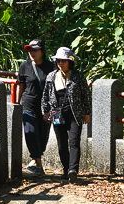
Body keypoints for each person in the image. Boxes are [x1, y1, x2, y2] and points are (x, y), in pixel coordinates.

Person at [41, 46, 91, 183]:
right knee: (62, 144)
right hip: (57, 114)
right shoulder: (51, 76)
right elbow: (45, 96)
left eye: (63, 61)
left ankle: (73, 170)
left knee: (74, 142)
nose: (60, 63)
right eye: (58, 61)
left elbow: (86, 95)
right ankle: (66, 169)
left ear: (70, 61)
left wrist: (87, 112)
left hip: (75, 114)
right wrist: (45, 111)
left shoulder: (78, 76)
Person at [17, 39, 53, 177]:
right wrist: (17, 104)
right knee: (30, 132)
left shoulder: (51, 67)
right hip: (28, 104)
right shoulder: (24, 66)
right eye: (30, 50)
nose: (32, 53)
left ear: (42, 51)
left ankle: (36, 162)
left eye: (35, 50)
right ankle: (38, 163)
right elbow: (20, 85)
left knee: (43, 135)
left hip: (45, 106)